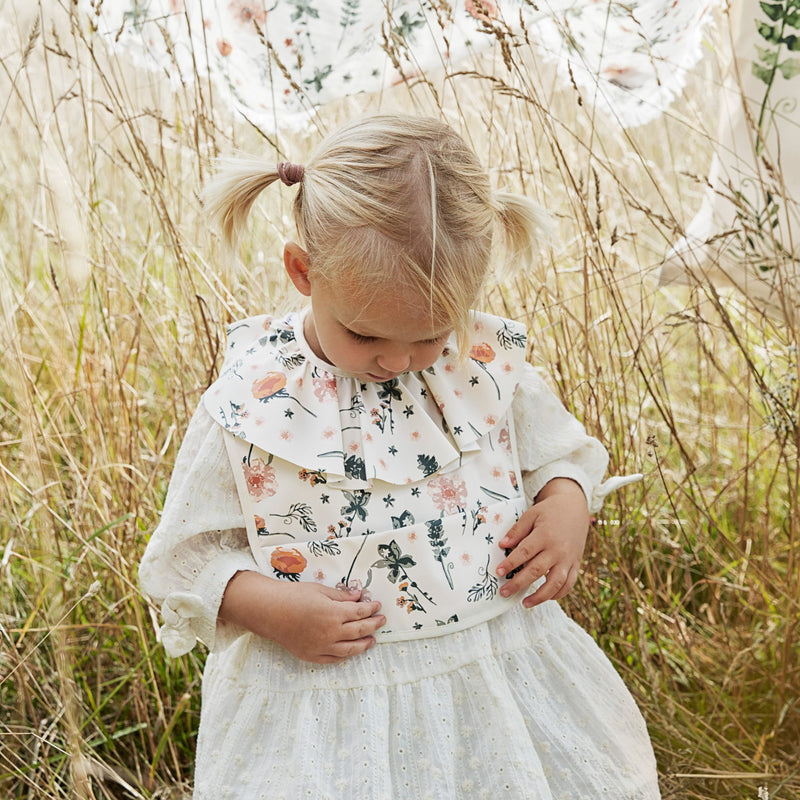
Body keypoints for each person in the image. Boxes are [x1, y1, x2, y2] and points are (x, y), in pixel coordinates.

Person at [139, 114, 661, 799]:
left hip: (493, 669)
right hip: (323, 703)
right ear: (303, 270)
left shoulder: (477, 368)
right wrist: (270, 608)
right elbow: (185, 557)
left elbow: (560, 454)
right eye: (366, 335)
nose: (397, 360)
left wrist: (566, 503)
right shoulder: (254, 401)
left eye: (428, 337)